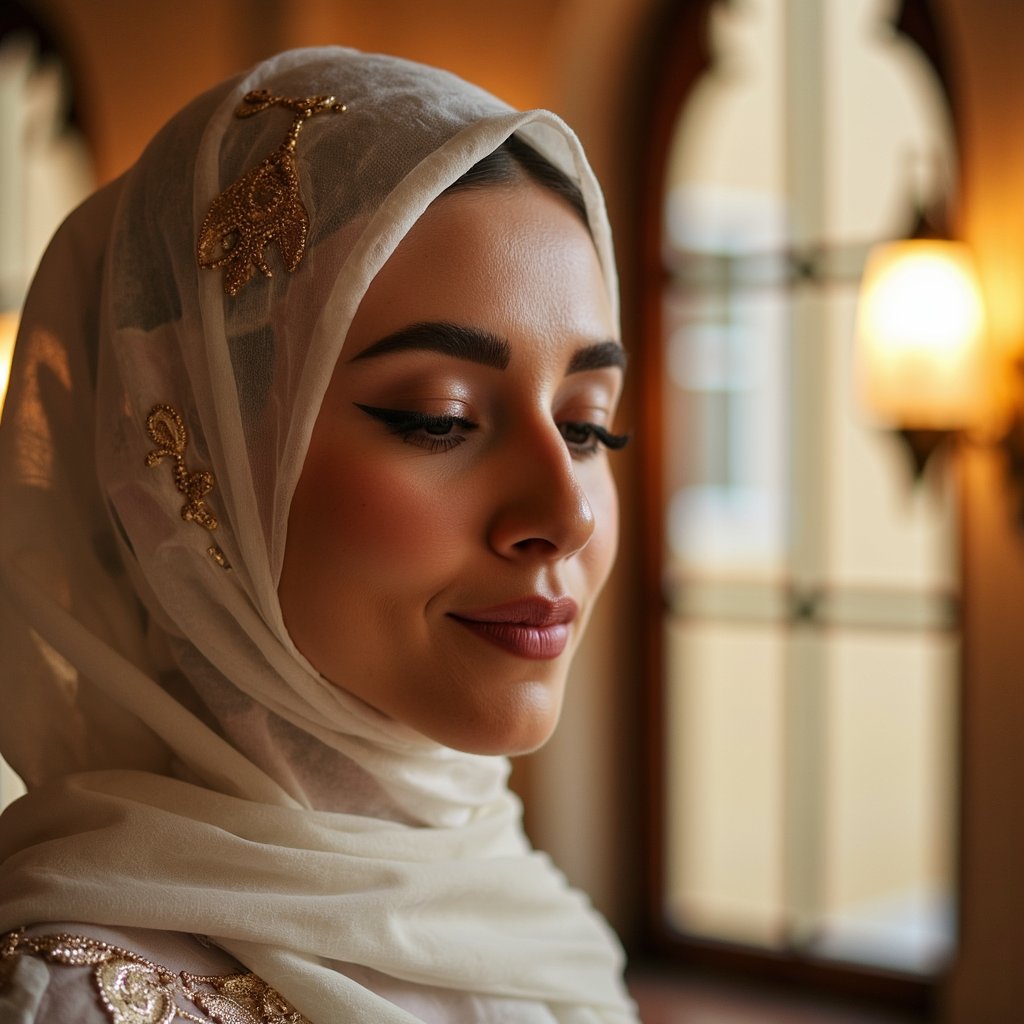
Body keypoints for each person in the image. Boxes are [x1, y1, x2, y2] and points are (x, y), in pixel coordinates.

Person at [0, 46, 637, 1024]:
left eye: (586, 423)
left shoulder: (536, 923)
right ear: (199, 463)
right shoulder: (68, 997)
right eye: (439, 417)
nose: (566, 513)